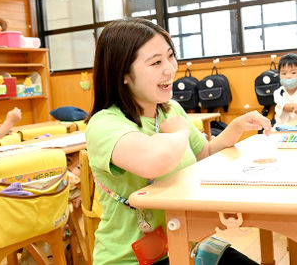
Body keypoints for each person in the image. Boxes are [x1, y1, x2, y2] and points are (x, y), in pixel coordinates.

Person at [85, 18, 271, 265]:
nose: (170, 69)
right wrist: (180, 132)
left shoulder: (170, 110)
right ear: (123, 74)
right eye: (156, 62)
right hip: (131, 259)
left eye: (170, 57)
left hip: (187, 244)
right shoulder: (104, 123)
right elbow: (154, 161)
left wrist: (234, 128)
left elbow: (203, 153)